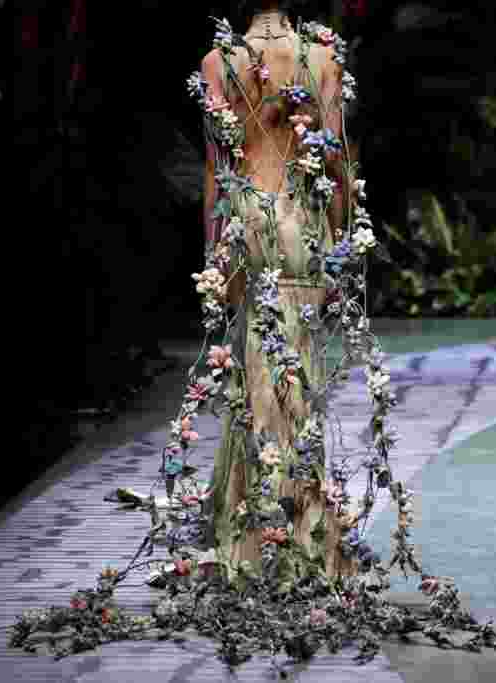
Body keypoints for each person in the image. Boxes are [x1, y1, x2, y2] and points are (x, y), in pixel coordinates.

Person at [189, 0, 367, 586]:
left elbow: (219, 169)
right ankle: (294, 532)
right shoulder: (320, 57)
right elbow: (335, 159)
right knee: (295, 373)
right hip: (301, 220)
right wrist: (340, 237)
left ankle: (252, 536)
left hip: (247, 221)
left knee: (254, 370)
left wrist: (215, 253)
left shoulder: (219, 62)